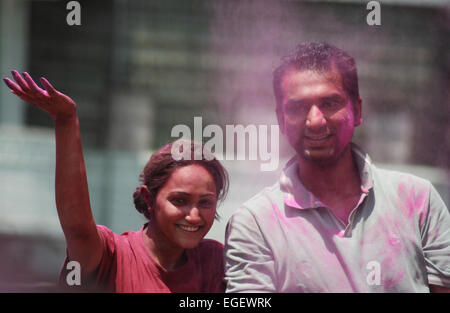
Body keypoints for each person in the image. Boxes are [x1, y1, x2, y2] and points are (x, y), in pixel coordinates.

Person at [224, 42, 450, 292]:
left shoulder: (418, 200)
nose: (315, 121)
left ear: (357, 109)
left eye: (330, 103)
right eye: (298, 107)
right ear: (280, 120)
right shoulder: (256, 223)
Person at [3, 71, 229, 292]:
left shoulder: (215, 260)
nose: (194, 215)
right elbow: (78, 229)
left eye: (206, 203)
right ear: (148, 199)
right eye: (180, 200)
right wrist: (66, 120)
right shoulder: (113, 255)